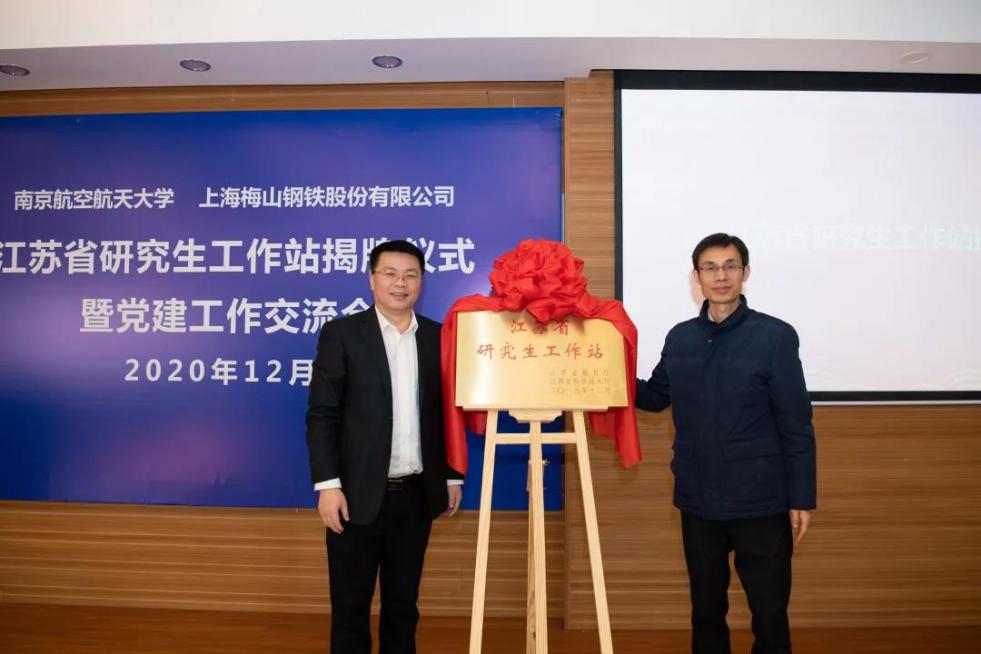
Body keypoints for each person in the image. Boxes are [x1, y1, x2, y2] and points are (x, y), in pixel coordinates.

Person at [636, 233, 816, 654]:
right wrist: (604, 373)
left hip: (761, 499)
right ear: (696, 276)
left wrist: (802, 497)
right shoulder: (680, 337)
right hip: (698, 498)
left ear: (745, 272)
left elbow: (796, 422)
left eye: (730, 266)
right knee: (705, 611)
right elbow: (656, 396)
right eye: (711, 268)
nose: (721, 276)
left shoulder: (774, 336)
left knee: (769, 614)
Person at [306, 239, 463, 654]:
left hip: (416, 496)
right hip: (355, 496)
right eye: (390, 273)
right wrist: (328, 485)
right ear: (372, 279)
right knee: (350, 608)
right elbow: (322, 414)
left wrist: (451, 475)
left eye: (410, 275)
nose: (400, 283)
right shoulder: (342, 334)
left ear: (421, 282)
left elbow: (448, 412)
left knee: (403, 607)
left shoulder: (439, 337)